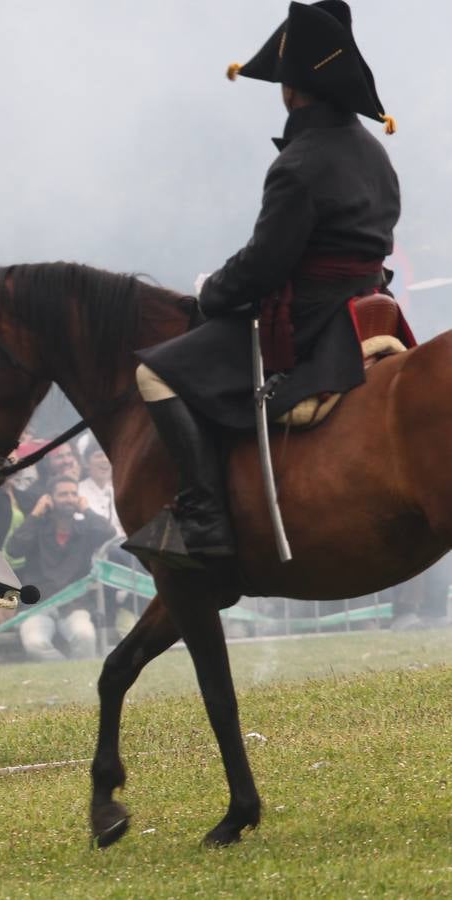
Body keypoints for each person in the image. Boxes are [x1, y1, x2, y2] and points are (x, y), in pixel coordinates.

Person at [130, 0, 401, 563]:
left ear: (293, 90)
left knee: (154, 373)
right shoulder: (375, 152)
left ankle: (204, 520)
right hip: (371, 307)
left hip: (311, 321)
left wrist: (211, 292)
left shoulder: (299, 163)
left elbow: (265, 264)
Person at [6, 475, 116, 660]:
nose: (69, 498)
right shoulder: (37, 528)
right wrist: (35, 514)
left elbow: (109, 532)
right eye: (63, 494)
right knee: (35, 644)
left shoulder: (85, 529)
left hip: (74, 606)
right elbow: (14, 549)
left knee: (85, 636)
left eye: (74, 494)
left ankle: (80, 679)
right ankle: (65, 674)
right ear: (49, 498)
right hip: (37, 606)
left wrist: (87, 510)